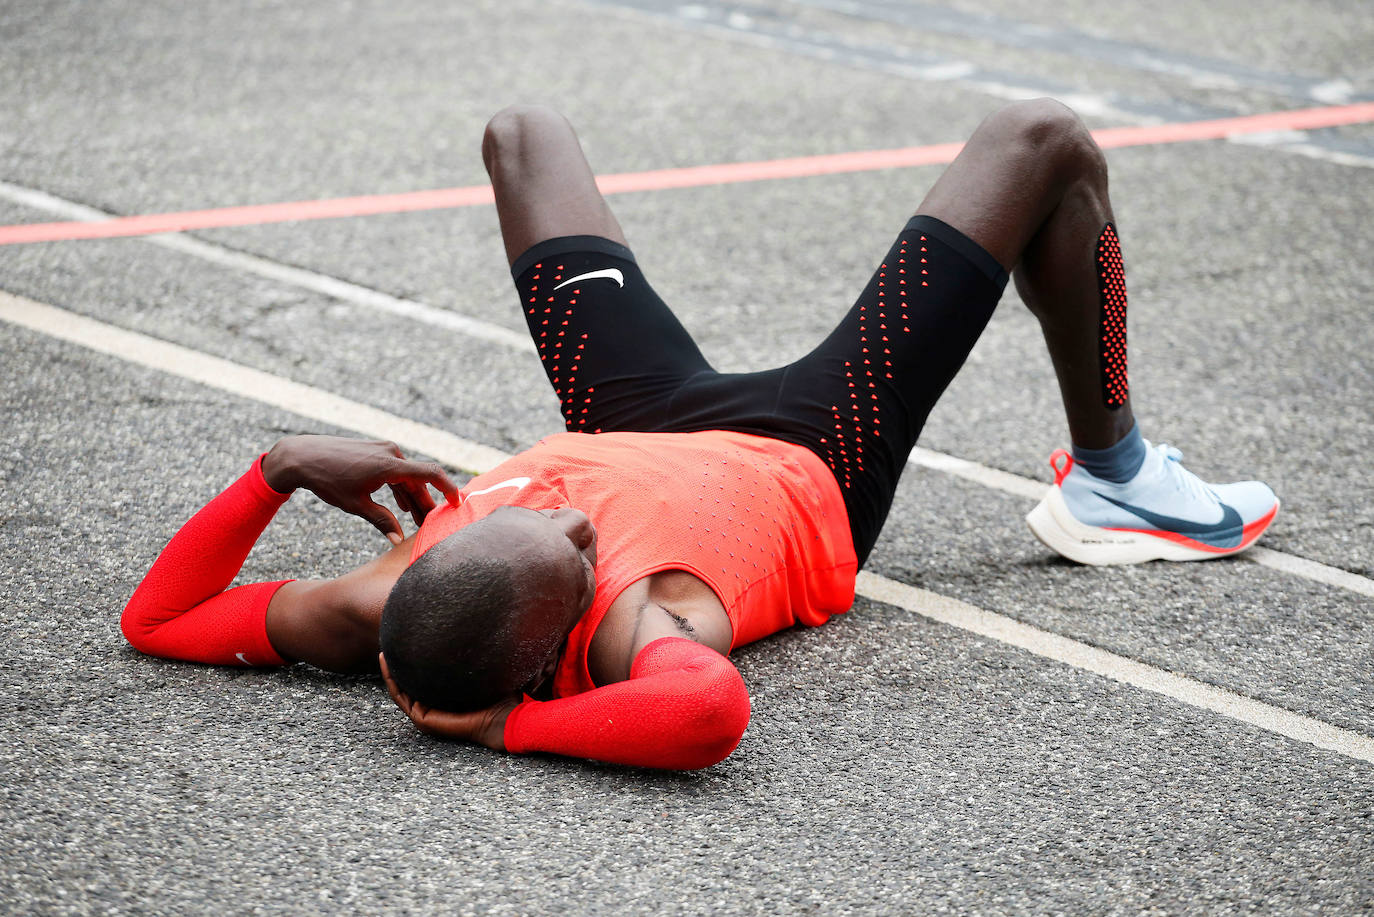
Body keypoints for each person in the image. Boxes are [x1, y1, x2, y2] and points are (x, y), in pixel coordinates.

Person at [122, 100, 1279, 770]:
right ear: (557, 637)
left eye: (518, 514)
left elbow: (156, 618)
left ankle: (1120, 469)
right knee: (1044, 144)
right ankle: (1117, 475)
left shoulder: (381, 605)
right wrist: (508, 728)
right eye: (573, 553)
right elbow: (708, 714)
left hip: (633, 415)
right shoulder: (641, 635)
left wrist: (276, 469)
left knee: (522, 135)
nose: (569, 515)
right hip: (814, 449)